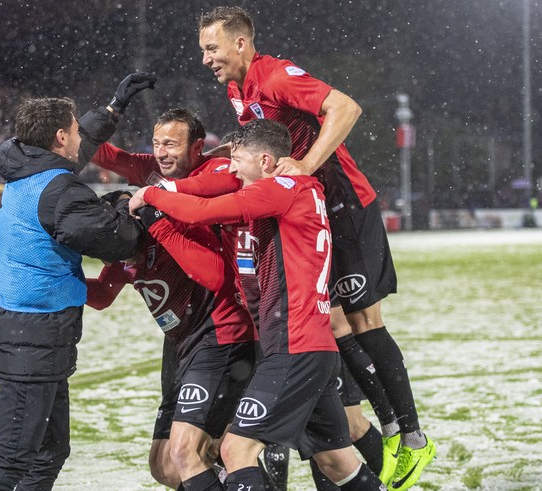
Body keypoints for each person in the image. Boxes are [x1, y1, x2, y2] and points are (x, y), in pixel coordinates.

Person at [197, 7, 434, 489]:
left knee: (365, 322)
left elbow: (345, 107)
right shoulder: (236, 90)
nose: (207, 58)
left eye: (212, 47)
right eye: (204, 49)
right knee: (331, 320)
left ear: (241, 43)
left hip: (347, 202)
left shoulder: (276, 74)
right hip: (314, 207)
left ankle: (410, 437)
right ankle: (378, 430)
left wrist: (305, 164)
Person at [130, 119, 385, 490]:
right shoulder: (304, 188)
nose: (231, 169)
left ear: (265, 160)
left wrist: (151, 198)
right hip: (311, 346)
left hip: (292, 347)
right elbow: (213, 192)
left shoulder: (282, 187)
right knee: (336, 462)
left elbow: (200, 212)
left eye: (237, 159)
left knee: (236, 451)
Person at [0, 71, 156, 491]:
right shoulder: (61, 191)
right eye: (73, 130)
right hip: (33, 335)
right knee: (13, 458)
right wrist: (133, 208)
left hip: (24, 330)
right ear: (58, 138)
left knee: (48, 453)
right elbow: (116, 240)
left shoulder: (25, 165)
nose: (78, 139)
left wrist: (112, 110)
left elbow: (76, 150)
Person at [90, 107, 258, 488]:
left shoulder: (212, 174)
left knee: (206, 450)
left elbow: (213, 270)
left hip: (224, 326)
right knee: (166, 466)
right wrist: (109, 111)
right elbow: (105, 155)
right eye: (156, 144)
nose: (161, 152)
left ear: (197, 147)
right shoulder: (152, 193)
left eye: (171, 144)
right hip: (181, 341)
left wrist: (157, 200)